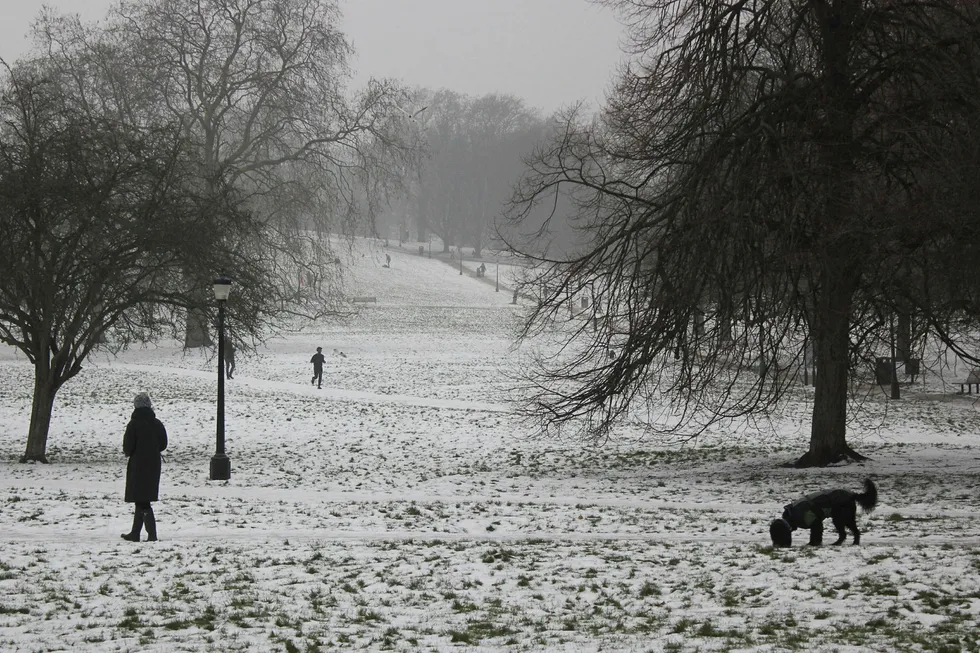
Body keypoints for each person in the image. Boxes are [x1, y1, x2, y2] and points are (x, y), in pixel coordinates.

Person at [121, 393, 168, 542]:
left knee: (141, 499)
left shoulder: (133, 424)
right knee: (142, 498)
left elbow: (128, 447)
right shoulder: (157, 423)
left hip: (138, 464)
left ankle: (151, 534)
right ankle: (135, 533)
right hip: (153, 464)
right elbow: (163, 443)